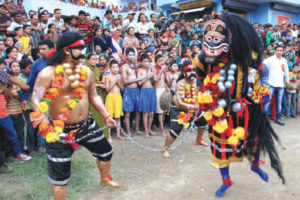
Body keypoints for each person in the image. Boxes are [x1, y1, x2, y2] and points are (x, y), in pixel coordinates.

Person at [193, 12, 285, 198]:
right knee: (221, 149)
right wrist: (204, 99)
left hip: (246, 108)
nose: (213, 40)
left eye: (218, 36)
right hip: (219, 112)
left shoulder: (244, 54)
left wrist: (263, 89)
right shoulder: (204, 58)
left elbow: (262, 68)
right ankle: (226, 181)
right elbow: (199, 79)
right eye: (209, 36)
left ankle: (255, 166)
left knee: (254, 141)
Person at [31, 32, 121, 200]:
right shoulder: (48, 73)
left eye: (84, 47)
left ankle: (104, 179)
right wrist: (42, 119)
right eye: (79, 48)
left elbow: (93, 95)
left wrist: (106, 115)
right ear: (66, 50)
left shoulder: (86, 71)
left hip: (86, 125)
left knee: (106, 152)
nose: (83, 51)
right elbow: (36, 97)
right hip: (59, 132)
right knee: (60, 176)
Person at [162, 61, 208, 158]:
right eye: (189, 70)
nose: (192, 72)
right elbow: (179, 102)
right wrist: (191, 107)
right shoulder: (180, 84)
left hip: (194, 107)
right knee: (175, 131)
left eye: (194, 70)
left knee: (203, 122)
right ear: (183, 73)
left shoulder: (198, 82)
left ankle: (199, 140)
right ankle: (165, 148)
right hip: (180, 109)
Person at [0, 70, 31, 162]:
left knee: (12, 135)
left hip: (4, 115)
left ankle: (17, 154)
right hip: (5, 115)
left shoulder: (4, 90)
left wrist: (21, 85)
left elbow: (4, 75)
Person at [83, 53, 108, 138]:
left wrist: (100, 83)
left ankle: (101, 135)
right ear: (87, 60)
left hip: (98, 94)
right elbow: (86, 84)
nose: (95, 61)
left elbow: (96, 81)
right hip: (88, 96)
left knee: (100, 115)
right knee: (91, 116)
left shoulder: (96, 69)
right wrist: (98, 85)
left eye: (96, 59)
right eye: (93, 59)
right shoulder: (85, 69)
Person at [263, 45, 289, 125]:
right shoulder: (269, 60)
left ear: (282, 51)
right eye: (278, 50)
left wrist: (287, 81)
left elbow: (286, 71)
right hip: (271, 83)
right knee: (267, 102)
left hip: (280, 84)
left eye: (281, 50)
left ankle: (278, 118)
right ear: (275, 51)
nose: (279, 52)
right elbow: (262, 66)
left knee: (279, 102)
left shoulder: (284, 60)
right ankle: (265, 119)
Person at [121, 47, 143, 136]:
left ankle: (136, 129)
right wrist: (137, 79)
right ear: (126, 56)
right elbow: (125, 81)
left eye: (133, 54)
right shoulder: (124, 67)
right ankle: (128, 132)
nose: (132, 56)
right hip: (128, 90)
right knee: (127, 113)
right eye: (130, 54)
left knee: (137, 111)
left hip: (136, 90)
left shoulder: (136, 66)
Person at [137, 54, 156, 137]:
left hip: (151, 90)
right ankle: (145, 130)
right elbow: (139, 83)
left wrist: (152, 75)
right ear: (141, 62)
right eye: (144, 61)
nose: (146, 63)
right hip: (144, 90)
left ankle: (149, 129)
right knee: (145, 113)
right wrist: (146, 77)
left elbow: (154, 81)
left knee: (151, 112)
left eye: (147, 61)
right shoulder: (139, 70)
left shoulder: (151, 69)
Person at [105, 60, 124, 142]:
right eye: (113, 67)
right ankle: (109, 136)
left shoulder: (120, 76)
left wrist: (118, 82)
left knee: (117, 117)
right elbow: (107, 89)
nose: (116, 69)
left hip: (118, 97)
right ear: (110, 68)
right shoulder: (108, 76)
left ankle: (118, 134)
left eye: (117, 67)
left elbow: (122, 88)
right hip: (110, 97)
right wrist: (114, 81)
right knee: (109, 117)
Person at [153, 55, 168, 136]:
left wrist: (167, 88)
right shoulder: (154, 69)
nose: (161, 62)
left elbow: (163, 81)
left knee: (164, 111)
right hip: (158, 91)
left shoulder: (163, 70)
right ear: (156, 62)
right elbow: (155, 79)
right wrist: (161, 71)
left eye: (162, 61)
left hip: (163, 90)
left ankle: (161, 127)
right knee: (160, 112)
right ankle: (162, 130)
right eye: (159, 61)